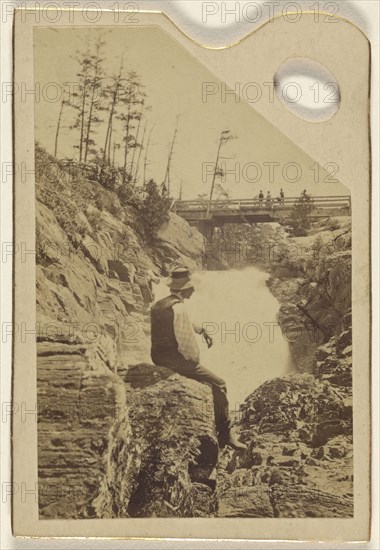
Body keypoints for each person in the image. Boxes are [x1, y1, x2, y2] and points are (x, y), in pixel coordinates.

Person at [150, 267, 246, 451]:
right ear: (184, 289)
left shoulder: (160, 304)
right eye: (191, 287)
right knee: (219, 383)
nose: (194, 290)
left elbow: (177, 325)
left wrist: (201, 329)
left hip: (157, 357)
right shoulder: (180, 308)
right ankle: (226, 435)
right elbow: (186, 345)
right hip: (175, 360)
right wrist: (194, 364)